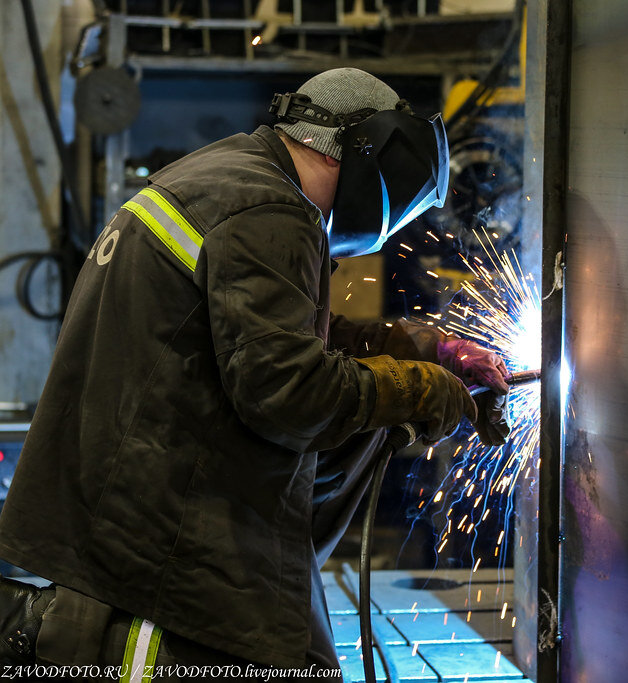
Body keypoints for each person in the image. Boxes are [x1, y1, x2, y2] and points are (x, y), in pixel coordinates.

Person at [0, 67, 510, 676]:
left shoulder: (225, 175)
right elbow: (288, 390)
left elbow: (273, 335)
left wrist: (429, 351)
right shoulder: (272, 209)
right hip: (163, 558)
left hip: (149, 526)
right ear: (376, 161)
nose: (391, 236)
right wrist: (419, 391)